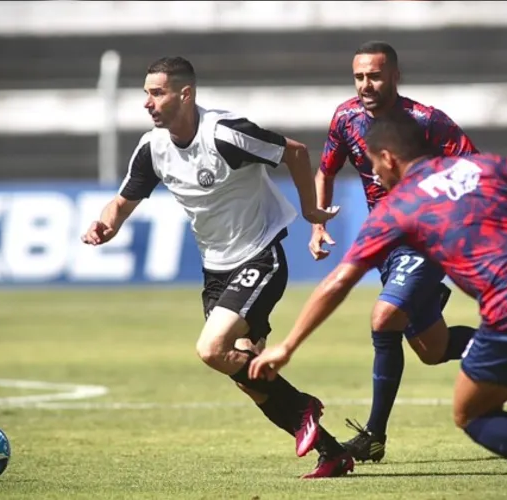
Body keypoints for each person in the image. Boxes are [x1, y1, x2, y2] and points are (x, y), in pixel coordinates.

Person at [250, 110, 507, 499]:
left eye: (375, 163)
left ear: (389, 158)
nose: (375, 174)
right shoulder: (480, 166)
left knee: (472, 414)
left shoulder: (400, 206)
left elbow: (341, 279)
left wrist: (288, 345)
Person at [82, 57, 354, 479]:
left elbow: (295, 153)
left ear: (184, 94)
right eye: (145, 94)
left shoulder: (226, 134)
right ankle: (332, 452)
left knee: (211, 350)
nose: (147, 103)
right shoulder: (152, 147)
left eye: (156, 93)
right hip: (216, 270)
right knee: (246, 372)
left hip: (261, 255)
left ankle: (303, 408)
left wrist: (311, 215)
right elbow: (120, 203)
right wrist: (106, 225)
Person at [312, 40, 507, 464]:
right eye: (359, 76)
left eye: (375, 75)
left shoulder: (426, 121)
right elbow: (325, 170)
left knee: (384, 320)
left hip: (428, 239)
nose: (366, 84)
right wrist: (318, 222)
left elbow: (475, 169)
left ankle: (373, 436)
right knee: (432, 350)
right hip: (386, 242)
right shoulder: (345, 118)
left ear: (395, 76)